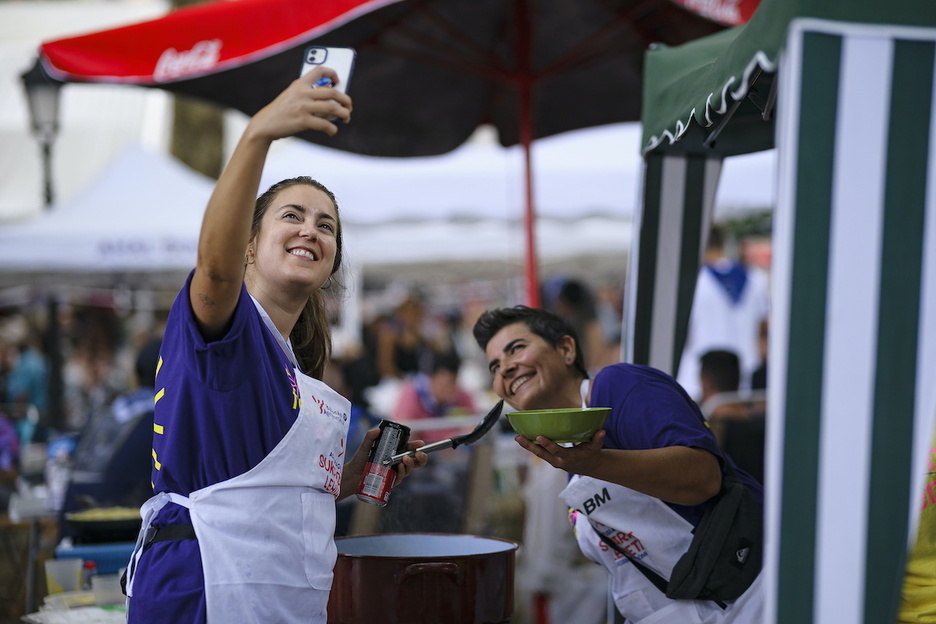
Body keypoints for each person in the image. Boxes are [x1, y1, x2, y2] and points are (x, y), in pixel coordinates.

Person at [124, 67, 428, 623]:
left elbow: (265, 500)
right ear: (248, 244)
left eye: (326, 225)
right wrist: (257, 135)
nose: (311, 230)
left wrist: (351, 477)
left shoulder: (291, 365)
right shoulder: (229, 324)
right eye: (293, 216)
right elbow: (213, 271)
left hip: (276, 598)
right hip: (205, 590)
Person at [472, 305, 765, 623]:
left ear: (566, 349)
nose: (505, 370)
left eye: (516, 349)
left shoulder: (616, 385)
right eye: (495, 367)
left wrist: (598, 463)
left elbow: (704, 478)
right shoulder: (569, 456)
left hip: (751, 598)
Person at [677, 225, 770, 401]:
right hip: (745, 381)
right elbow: (763, 331)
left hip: (696, 382)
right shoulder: (756, 278)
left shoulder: (691, 280)